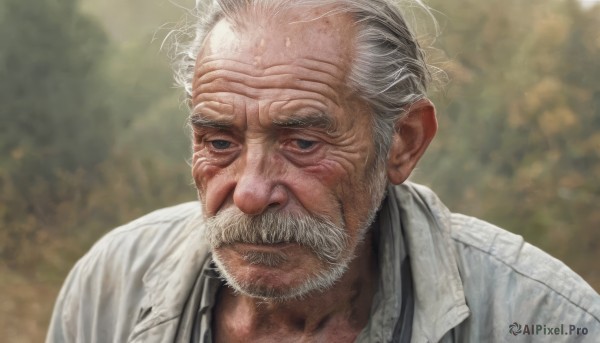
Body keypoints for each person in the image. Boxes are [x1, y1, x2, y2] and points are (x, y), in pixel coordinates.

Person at [46, 0, 599, 342]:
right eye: (219, 141)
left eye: (303, 142)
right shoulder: (110, 286)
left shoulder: (544, 319)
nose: (251, 192)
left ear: (402, 144)